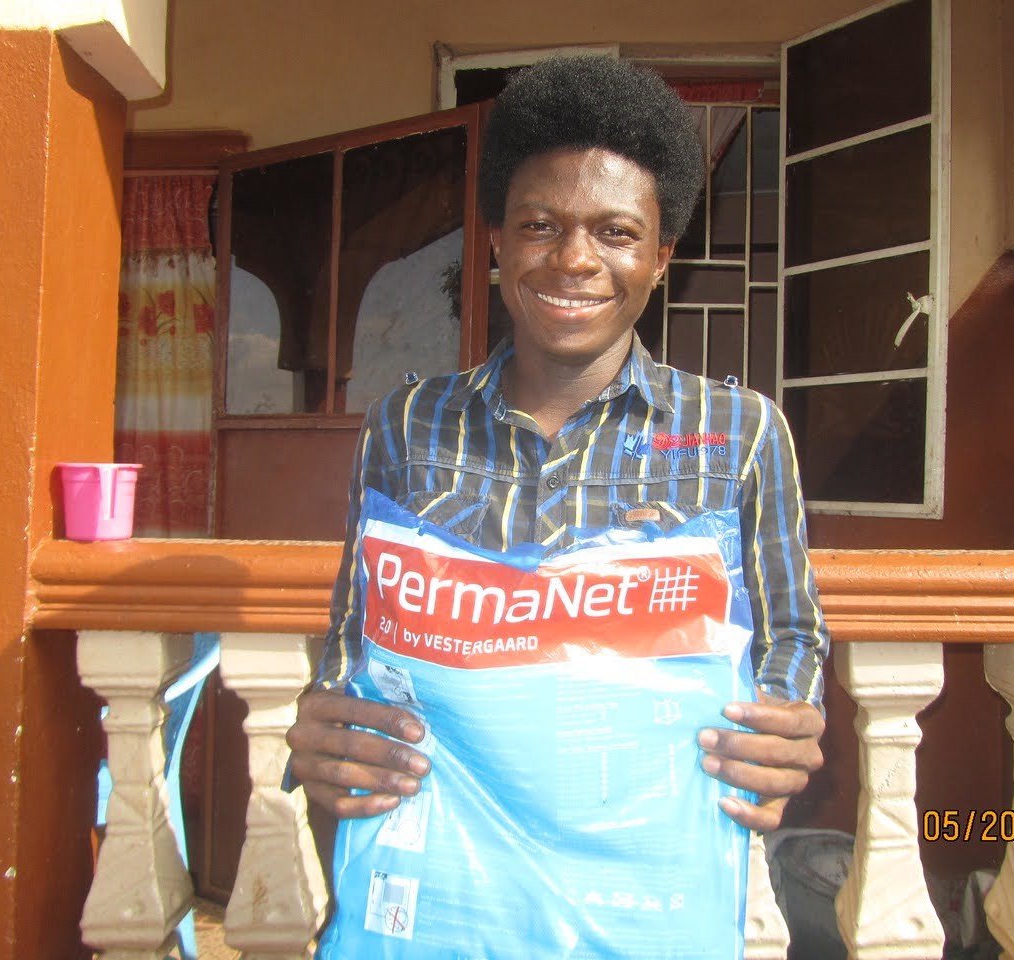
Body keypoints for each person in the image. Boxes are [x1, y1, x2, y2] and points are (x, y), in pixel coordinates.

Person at [288, 55, 827, 851]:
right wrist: (330, 721)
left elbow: (793, 634)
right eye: (541, 225)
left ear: (661, 256)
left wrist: (782, 726)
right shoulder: (407, 424)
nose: (575, 260)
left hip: (643, 858)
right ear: (499, 241)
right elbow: (354, 635)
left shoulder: (738, 433)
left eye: (617, 233)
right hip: (445, 854)